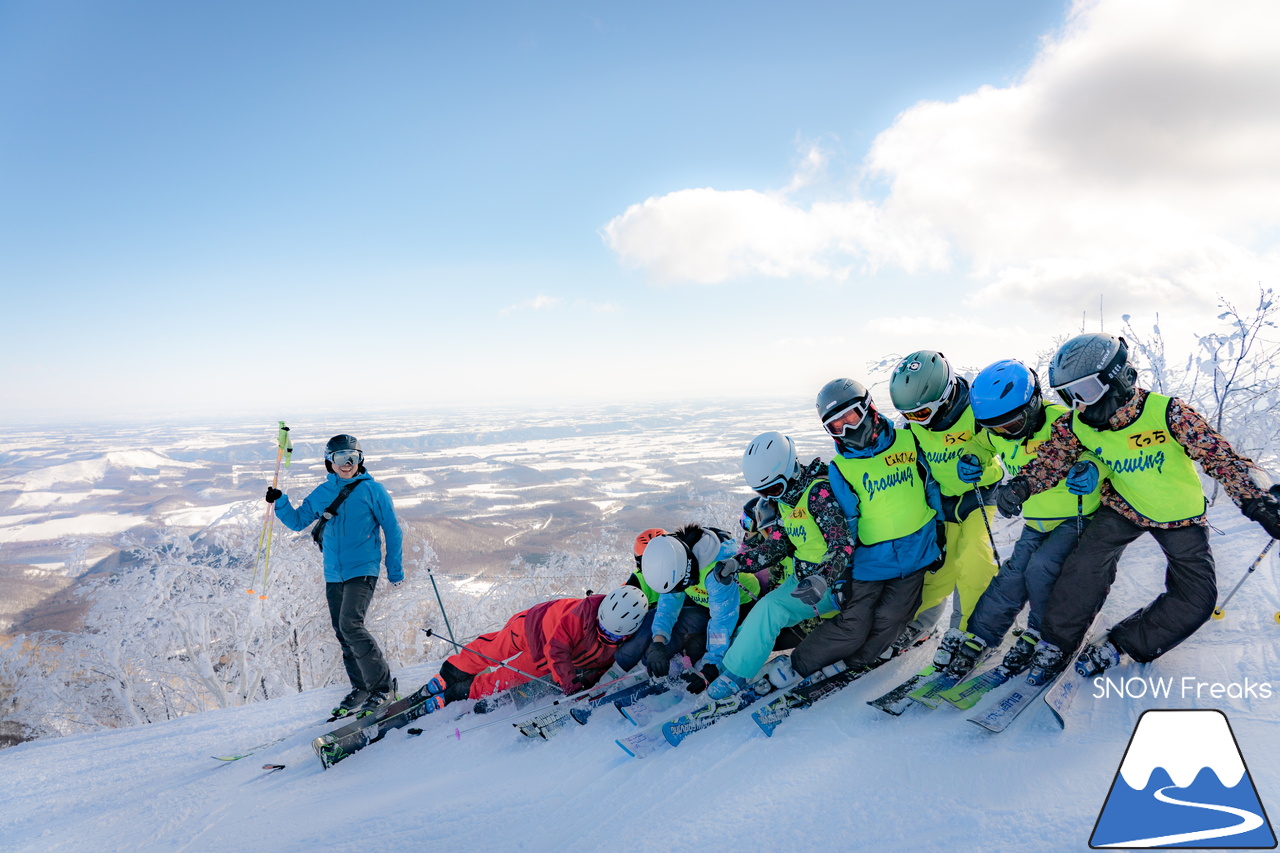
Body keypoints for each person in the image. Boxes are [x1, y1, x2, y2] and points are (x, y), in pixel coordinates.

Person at [992, 333, 1280, 684]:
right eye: (1068, 395)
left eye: (1085, 391)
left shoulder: (1168, 413)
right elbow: (1050, 461)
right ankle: (1055, 642)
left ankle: (1122, 643)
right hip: (1123, 508)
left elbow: (1219, 456)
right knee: (1082, 569)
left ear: (1119, 378)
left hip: (1180, 516)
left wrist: (1257, 500)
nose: (1078, 404)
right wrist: (1022, 486)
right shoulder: (1076, 425)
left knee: (1197, 600)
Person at [936, 359, 1106, 679]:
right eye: (995, 428)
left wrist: (1093, 471)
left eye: (1011, 426)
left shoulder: (1064, 421)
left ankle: (1043, 633)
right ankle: (981, 635)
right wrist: (971, 457)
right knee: (1012, 577)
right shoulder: (999, 432)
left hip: (1077, 516)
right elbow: (979, 443)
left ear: (1034, 404)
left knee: (1042, 567)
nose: (1004, 435)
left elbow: (1103, 450)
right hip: (1038, 520)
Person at [785, 379, 945, 680]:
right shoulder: (842, 468)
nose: (846, 431)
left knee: (892, 617)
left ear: (869, 409)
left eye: (851, 419)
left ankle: (855, 663)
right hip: (869, 562)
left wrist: (939, 532)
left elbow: (929, 487)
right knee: (853, 623)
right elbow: (847, 522)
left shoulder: (908, 440)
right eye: (836, 427)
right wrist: (842, 573)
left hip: (916, 553)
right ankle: (800, 664)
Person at [703, 430, 855, 700]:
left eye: (774, 488)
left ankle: (739, 672)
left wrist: (823, 578)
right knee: (765, 608)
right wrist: (737, 563)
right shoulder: (785, 501)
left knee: (771, 609)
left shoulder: (818, 493)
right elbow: (776, 545)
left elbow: (841, 543)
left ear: (792, 470)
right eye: (764, 492)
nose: (772, 496)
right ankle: (733, 672)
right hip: (801, 581)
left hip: (830, 583)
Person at [267, 434, 404, 718]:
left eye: (353, 457)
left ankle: (382, 689)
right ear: (330, 462)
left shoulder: (372, 491)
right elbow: (297, 521)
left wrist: (395, 570)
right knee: (343, 632)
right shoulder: (322, 492)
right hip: (333, 573)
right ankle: (363, 688)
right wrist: (279, 501)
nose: (347, 463)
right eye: (341, 458)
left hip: (363, 568)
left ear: (361, 460)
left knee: (351, 624)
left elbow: (392, 529)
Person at [889, 350, 1003, 649]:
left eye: (920, 414)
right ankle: (920, 625)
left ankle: (972, 631)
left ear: (944, 396)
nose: (916, 422)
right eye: (909, 416)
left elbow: (1003, 442)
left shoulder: (976, 411)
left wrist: (983, 462)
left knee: (973, 560)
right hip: (945, 501)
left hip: (979, 494)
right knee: (938, 569)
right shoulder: (915, 426)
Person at [419, 587, 650, 712]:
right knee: (494, 648)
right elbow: (558, 648)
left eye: (612, 635)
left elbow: (600, 670)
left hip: (542, 660)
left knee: (508, 679)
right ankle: (453, 671)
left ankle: (463, 692)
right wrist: (568, 683)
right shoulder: (584, 611)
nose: (605, 634)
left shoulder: (626, 645)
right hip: (531, 626)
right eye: (602, 626)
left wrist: (587, 688)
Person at [638, 524, 761, 692]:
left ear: (686, 573)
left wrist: (711, 665)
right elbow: (667, 607)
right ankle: (688, 658)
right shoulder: (676, 561)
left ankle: (720, 669)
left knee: (717, 647)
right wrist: (658, 643)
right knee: (687, 631)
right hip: (706, 603)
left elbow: (721, 622)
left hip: (742, 605)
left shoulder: (716, 573)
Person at [610, 528, 667, 674]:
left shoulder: (685, 574)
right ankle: (621, 669)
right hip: (645, 637)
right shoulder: (638, 581)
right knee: (653, 616)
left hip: (671, 634)